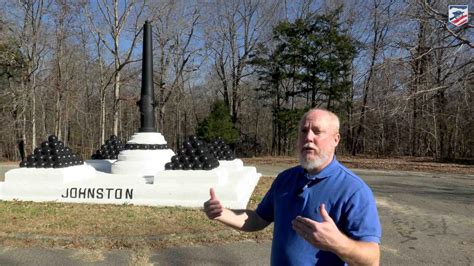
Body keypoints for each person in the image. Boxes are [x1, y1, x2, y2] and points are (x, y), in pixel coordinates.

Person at [203, 108, 381, 265]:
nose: (308, 137)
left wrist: (338, 243)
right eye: (304, 131)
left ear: (336, 139)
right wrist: (222, 213)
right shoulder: (285, 179)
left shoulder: (353, 190)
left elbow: (372, 259)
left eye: (317, 131)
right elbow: (258, 219)